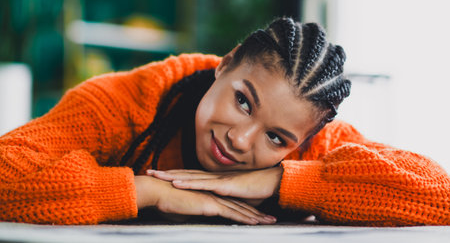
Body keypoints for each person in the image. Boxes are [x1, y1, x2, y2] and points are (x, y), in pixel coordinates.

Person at [0, 18, 448, 226]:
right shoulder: (128, 102)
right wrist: (151, 191)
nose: (238, 139)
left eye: (275, 137)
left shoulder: (311, 141)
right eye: (243, 102)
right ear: (226, 63)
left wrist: (280, 181)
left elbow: (438, 196)